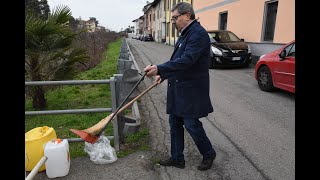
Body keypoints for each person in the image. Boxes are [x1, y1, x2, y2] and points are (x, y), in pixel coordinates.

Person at [143, 2, 216, 171]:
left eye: (175, 18)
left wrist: (159, 68)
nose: (173, 22)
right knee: (175, 122)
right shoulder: (185, 34)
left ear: (187, 15)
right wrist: (164, 74)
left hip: (191, 91)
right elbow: (177, 62)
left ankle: (209, 153)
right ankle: (177, 158)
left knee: (191, 124)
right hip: (179, 88)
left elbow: (188, 60)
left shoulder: (198, 34)